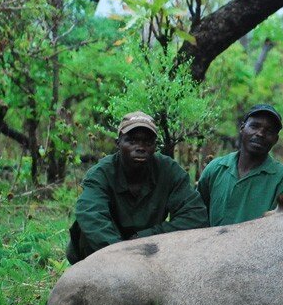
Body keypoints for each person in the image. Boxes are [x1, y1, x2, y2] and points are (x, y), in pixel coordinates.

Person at [66, 111, 208, 264]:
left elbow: (195, 215)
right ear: (118, 142)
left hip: (149, 247)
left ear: (155, 146)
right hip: (103, 251)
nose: (140, 148)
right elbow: (90, 214)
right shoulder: (101, 173)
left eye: (148, 142)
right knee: (86, 227)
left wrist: (147, 236)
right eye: (132, 141)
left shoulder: (168, 170)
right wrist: (122, 253)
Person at [197, 104, 283, 226]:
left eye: (269, 131)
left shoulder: (282, 179)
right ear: (242, 128)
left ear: (275, 139)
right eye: (254, 126)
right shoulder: (216, 169)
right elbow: (197, 215)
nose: (260, 134)